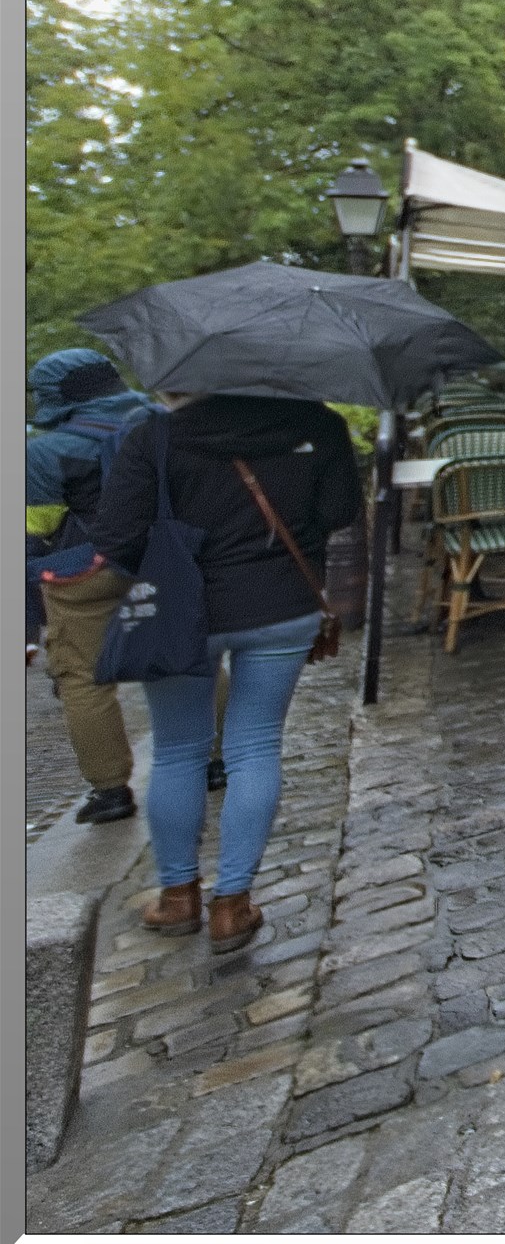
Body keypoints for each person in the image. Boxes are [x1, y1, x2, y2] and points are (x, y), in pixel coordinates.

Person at [79, 393, 361, 955]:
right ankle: (233, 905)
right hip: (281, 604)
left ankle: (178, 895)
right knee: (255, 745)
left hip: (182, 615)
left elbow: (115, 539)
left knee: (179, 750)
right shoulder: (316, 424)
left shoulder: (155, 437)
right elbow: (339, 512)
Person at [26, 351, 165, 823]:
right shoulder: (162, 420)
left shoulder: (43, 452)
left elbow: (36, 522)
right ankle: (213, 761)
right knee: (188, 656)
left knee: (82, 677)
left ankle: (110, 792)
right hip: (165, 559)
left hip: (88, 570)